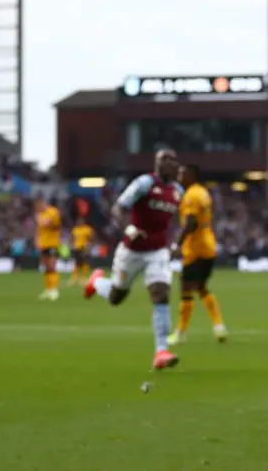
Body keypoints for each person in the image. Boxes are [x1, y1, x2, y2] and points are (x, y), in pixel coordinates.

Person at [84, 149, 183, 370]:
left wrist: (177, 243)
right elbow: (118, 208)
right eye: (165, 160)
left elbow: (180, 221)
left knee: (160, 293)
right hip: (132, 250)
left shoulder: (178, 191)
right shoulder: (144, 183)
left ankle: (161, 351)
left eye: (173, 160)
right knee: (115, 297)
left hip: (157, 251)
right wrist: (129, 229)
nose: (171, 164)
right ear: (158, 164)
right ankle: (95, 282)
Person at [169, 164, 227, 345]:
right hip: (209, 246)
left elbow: (191, 222)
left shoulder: (191, 195)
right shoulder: (203, 192)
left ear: (191, 175)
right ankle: (219, 327)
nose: (179, 175)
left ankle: (179, 333)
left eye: (182, 172)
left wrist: (176, 244)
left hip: (195, 249)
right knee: (201, 287)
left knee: (186, 290)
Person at [34, 196, 62, 300]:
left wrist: (42, 221)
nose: (37, 208)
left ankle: (54, 290)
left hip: (53, 243)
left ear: (42, 203)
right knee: (46, 267)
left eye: (38, 206)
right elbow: (39, 230)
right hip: (43, 244)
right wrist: (37, 240)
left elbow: (50, 224)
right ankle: (48, 289)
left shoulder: (53, 212)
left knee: (52, 266)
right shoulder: (40, 214)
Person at [69, 217, 94, 286]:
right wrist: (72, 244)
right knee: (77, 263)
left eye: (81, 221)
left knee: (85, 262)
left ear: (84, 221)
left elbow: (92, 238)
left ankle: (84, 277)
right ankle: (74, 278)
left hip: (84, 248)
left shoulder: (88, 229)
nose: (80, 222)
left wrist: (89, 244)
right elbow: (71, 238)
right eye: (79, 221)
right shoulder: (75, 230)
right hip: (77, 248)